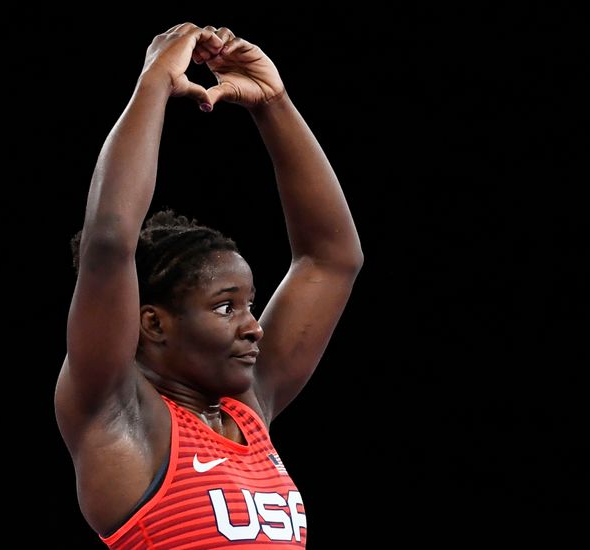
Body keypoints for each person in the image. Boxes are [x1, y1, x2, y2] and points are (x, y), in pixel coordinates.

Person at [54, 22, 362, 549]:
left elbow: (332, 259)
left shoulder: (248, 407)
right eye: (225, 308)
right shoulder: (119, 417)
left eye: (249, 305)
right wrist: (155, 82)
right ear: (153, 323)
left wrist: (274, 104)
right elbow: (108, 243)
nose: (254, 328)